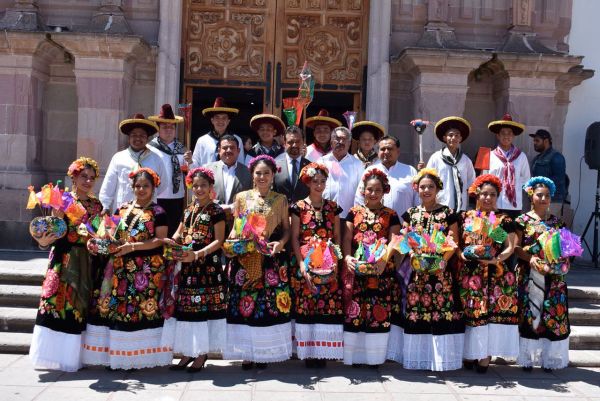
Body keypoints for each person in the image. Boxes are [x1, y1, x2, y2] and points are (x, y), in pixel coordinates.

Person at [82, 168, 173, 369]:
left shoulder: (158, 212)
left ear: (153, 188)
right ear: (132, 187)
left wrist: (132, 247)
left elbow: (159, 241)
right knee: (116, 308)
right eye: (138, 186)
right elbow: (111, 234)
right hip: (118, 267)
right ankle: (117, 356)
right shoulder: (121, 209)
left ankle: (140, 358)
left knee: (140, 309)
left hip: (146, 269)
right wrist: (100, 242)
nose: (141, 189)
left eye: (145, 186)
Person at [29, 157, 103, 372]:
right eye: (83, 177)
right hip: (63, 258)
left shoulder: (96, 204)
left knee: (79, 306)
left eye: (91, 178)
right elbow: (53, 231)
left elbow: (96, 232)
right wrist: (56, 219)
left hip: (86, 260)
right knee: (57, 304)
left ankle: (75, 357)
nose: (88, 181)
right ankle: (54, 356)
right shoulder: (62, 200)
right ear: (74, 177)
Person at [224, 155, 292, 369]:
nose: (262, 177)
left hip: (270, 257)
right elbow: (237, 225)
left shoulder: (280, 200)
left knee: (266, 305)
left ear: (273, 176)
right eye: (258, 173)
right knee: (247, 303)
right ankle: (247, 353)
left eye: (267, 173)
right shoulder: (242, 197)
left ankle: (263, 351)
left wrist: (280, 243)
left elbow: (287, 230)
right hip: (246, 257)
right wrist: (235, 243)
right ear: (252, 175)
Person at [164, 167, 226, 373]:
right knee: (187, 311)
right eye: (195, 185)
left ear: (210, 188)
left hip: (207, 267)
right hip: (188, 268)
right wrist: (171, 243)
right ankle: (188, 352)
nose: (199, 189)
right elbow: (179, 233)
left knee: (202, 312)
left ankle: (201, 354)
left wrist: (198, 254)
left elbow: (219, 241)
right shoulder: (188, 209)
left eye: (203, 185)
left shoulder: (216, 211)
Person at [401, 168, 464, 371]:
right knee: (417, 311)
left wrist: (443, 261)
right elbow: (405, 241)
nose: (426, 190)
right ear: (416, 189)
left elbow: (453, 242)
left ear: (437, 189)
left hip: (440, 273)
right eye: (422, 187)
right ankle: (418, 358)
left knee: (440, 311)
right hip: (418, 272)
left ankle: (440, 360)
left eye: (430, 187)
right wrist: (412, 256)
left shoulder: (447, 213)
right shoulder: (411, 214)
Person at [458, 174, 519, 373]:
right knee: (471, 313)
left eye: (492, 194)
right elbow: (456, 244)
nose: (488, 198)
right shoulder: (466, 218)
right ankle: (469, 352)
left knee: (490, 315)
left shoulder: (500, 221)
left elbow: (509, 247)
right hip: (470, 273)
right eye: (484, 194)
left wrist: (495, 260)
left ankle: (485, 355)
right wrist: (462, 255)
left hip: (495, 274)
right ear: (476, 195)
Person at [343, 169, 402, 366]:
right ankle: (356, 356)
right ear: (363, 191)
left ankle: (375, 357)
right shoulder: (354, 213)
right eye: (370, 189)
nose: (373, 193)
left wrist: (384, 260)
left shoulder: (391, 215)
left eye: (378, 190)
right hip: (358, 270)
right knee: (356, 310)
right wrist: (348, 258)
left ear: (384, 191)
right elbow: (347, 238)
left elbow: (394, 240)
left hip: (381, 270)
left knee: (379, 309)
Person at [290, 162, 344, 367]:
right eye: (315, 181)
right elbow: (295, 238)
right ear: (307, 182)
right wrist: (302, 264)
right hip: (308, 260)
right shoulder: (298, 207)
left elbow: (337, 237)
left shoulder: (333, 207)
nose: (319, 185)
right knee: (308, 304)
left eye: (322, 181)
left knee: (327, 306)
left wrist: (337, 261)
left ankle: (323, 351)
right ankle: (309, 352)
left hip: (329, 263)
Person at [515, 177, 571, 372]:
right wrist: (529, 258)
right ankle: (528, 359)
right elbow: (516, 248)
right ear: (531, 195)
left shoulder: (557, 222)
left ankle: (549, 358)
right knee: (531, 313)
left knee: (551, 314)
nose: (544, 198)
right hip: (530, 274)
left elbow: (566, 249)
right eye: (540, 195)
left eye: (547, 195)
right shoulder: (522, 221)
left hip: (553, 277)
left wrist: (564, 262)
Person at [99, 114, 165, 213]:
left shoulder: (156, 159)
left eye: (142, 135)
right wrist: (105, 206)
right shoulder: (118, 158)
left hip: (148, 211)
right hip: (123, 211)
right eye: (134, 135)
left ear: (147, 138)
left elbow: (163, 183)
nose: (138, 138)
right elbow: (108, 184)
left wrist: (149, 194)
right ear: (129, 138)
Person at [355, 135, 418, 221]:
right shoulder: (370, 170)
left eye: (390, 149)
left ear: (398, 151)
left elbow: (418, 200)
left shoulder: (410, 171)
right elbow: (359, 198)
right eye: (382, 149)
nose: (386, 152)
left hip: (404, 226)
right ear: (378, 152)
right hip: (376, 226)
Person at [148, 104, 188, 236]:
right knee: (157, 231)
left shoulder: (182, 149)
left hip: (177, 198)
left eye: (172, 127)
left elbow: (189, 175)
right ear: (158, 129)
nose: (168, 130)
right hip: (157, 197)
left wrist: (190, 163)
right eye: (164, 127)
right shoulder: (150, 149)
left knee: (173, 232)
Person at [484, 114, 531, 218]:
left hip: (514, 204)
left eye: (509, 133)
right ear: (498, 135)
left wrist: (513, 185)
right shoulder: (489, 155)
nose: (506, 136)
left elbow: (526, 179)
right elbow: (483, 179)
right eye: (503, 133)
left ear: (513, 136)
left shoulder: (521, 156)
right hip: (494, 203)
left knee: (512, 233)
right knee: (496, 233)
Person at [425, 116, 476, 212]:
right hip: (440, 204)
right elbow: (428, 180)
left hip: (461, 207)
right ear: (444, 138)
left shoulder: (465, 160)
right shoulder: (436, 158)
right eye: (450, 135)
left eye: (457, 135)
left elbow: (471, 183)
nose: (454, 138)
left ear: (460, 138)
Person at [205, 135, 252, 227]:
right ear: (219, 151)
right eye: (225, 148)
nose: (228, 150)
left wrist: (232, 207)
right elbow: (201, 194)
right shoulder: (207, 170)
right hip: (212, 222)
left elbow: (252, 197)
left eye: (232, 148)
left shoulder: (248, 172)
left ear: (238, 151)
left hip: (237, 224)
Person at [319, 126, 364, 219]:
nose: (341, 142)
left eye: (344, 139)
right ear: (331, 142)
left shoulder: (357, 164)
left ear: (349, 143)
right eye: (337, 139)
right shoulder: (321, 162)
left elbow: (361, 192)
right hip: (324, 215)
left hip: (348, 217)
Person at [190, 97, 244, 167]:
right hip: (207, 177)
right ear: (212, 120)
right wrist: (190, 161)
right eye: (217, 117)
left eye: (224, 118)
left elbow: (241, 164)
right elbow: (195, 165)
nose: (220, 121)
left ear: (228, 121)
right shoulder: (202, 141)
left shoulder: (237, 140)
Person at [530, 129, 568, 216]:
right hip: (538, 199)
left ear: (546, 141)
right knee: (535, 228)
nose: (534, 143)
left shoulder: (556, 157)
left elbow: (559, 179)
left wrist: (539, 183)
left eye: (537, 140)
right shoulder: (537, 158)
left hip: (552, 201)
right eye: (534, 141)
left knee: (548, 228)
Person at [274, 126, 310, 204]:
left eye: (298, 141)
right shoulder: (274, 165)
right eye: (290, 142)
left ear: (303, 142)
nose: (294, 145)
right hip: (280, 213)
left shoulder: (310, 166)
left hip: (303, 214)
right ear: (284, 142)